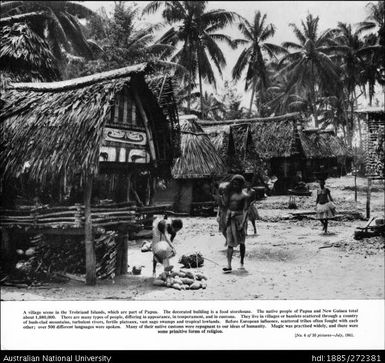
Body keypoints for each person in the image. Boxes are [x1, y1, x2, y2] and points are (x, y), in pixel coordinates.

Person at [223, 175, 249, 273]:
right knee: (230, 243)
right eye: (233, 183)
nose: (235, 185)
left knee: (242, 242)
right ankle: (229, 265)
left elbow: (246, 210)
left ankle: (241, 262)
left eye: (237, 184)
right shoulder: (231, 195)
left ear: (241, 185)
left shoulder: (245, 196)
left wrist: (242, 223)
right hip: (231, 219)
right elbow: (226, 205)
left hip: (240, 219)